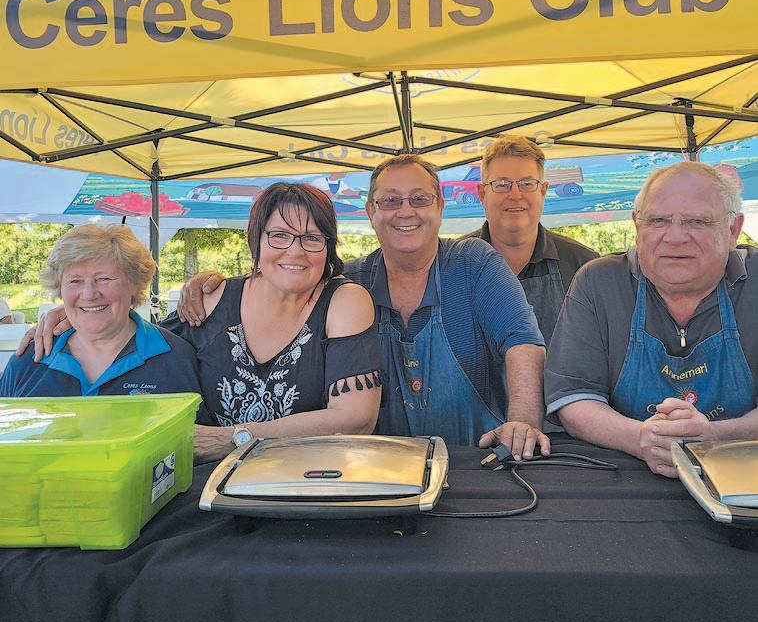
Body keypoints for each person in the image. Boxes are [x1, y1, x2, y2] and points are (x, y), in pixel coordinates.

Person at [179, 157, 549, 458]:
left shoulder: (473, 263)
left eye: (419, 199)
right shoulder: (350, 284)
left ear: (439, 206)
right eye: (390, 201)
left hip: (477, 459)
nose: (405, 211)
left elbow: (522, 343)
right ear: (371, 212)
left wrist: (522, 423)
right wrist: (215, 285)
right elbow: (288, 270)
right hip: (377, 470)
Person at [545, 161, 758, 478]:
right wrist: (642, 439)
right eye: (658, 220)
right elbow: (574, 398)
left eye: (697, 221)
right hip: (625, 478)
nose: (675, 237)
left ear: (732, 230)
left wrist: (714, 435)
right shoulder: (599, 283)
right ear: (637, 225)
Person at [162, 182, 382, 462]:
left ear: (328, 246)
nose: (295, 251)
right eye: (279, 235)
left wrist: (233, 439)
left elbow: (356, 419)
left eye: (311, 238)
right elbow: (139, 353)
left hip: (306, 482)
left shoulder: (344, 301)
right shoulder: (210, 298)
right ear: (256, 240)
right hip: (209, 484)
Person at [0, 224, 200, 399]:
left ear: (134, 283)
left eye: (104, 279)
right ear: (59, 287)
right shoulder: (29, 359)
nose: (89, 294)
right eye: (75, 281)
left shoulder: (177, 357)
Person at [462, 135, 598, 345]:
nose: (515, 195)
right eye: (502, 184)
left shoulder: (584, 266)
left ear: (543, 191)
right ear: (482, 194)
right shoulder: (453, 264)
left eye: (527, 184)